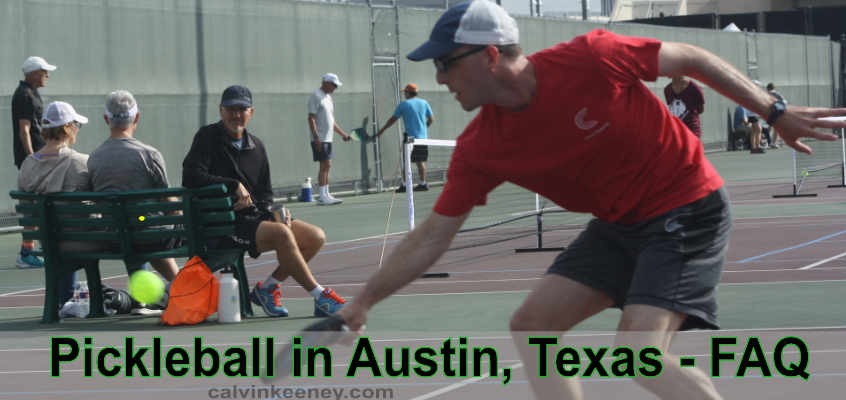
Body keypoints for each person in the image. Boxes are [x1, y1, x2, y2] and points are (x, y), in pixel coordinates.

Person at [336, 1, 846, 399]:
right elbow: (433, 234)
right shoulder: (481, 146)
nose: (441, 78)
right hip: (619, 224)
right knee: (532, 326)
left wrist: (773, 111)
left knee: (637, 353)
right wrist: (364, 301)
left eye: (447, 62)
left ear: (490, 56)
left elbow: (691, 58)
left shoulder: (592, 58)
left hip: (686, 204)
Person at [183, 85, 346, 318]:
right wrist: (232, 185)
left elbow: (265, 193)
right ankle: (320, 296)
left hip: (254, 220)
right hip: (222, 226)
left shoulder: (257, 145)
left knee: (314, 237)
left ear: (251, 112)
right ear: (221, 111)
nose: (236, 115)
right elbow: (191, 176)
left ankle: (267, 288)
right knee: (282, 234)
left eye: (241, 109)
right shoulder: (207, 137)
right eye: (230, 109)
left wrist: (276, 209)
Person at [87, 90, 180, 283]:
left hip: (113, 238)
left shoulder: (94, 158)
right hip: (149, 233)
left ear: (106, 119)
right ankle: (184, 288)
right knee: (149, 223)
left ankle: (155, 294)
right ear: (136, 117)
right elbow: (170, 206)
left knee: (139, 223)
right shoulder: (149, 155)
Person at [17, 101, 89, 305]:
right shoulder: (80, 162)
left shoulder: (27, 165)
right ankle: (140, 302)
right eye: (77, 125)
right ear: (68, 128)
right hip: (83, 242)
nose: (77, 129)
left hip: (48, 242)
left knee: (63, 236)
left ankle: (63, 300)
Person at [11, 56, 56, 268]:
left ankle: (31, 250)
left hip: (39, 157)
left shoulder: (32, 93)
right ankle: (26, 253)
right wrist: (32, 159)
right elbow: (25, 130)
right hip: (34, 160)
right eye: (43, 71)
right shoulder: (25, 95)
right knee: (32, 206)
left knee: (37, 205)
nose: (47, 75)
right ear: (33, 73)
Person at [375, 83, 435, 192]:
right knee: (420, 161)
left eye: (405, 92)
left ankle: (405, 185)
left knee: (406, 162)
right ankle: (423, 183)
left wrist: (382, 130)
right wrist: (423, 128)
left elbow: (393, 119)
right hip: (423, 138)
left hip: (410, 139)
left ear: (408, 93)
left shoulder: (404, 104)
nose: (404, 94)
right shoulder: (424, 103)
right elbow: (431, 119)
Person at [307, 73, 351, 205]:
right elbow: (311, 118)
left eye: (336, 86)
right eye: (334, 85)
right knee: (324, 164)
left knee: (327, 165)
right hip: (320, 138)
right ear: (325, 82)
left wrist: (342, 134)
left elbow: (331, 121)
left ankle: (326, 194)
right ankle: (322, 196)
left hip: (328, 138)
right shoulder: (316, 96)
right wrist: (316, 138)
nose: (335, 88)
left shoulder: (328, 98)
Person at [766, 82, 787, 148]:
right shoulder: (776, 93)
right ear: (774, 88)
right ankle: (774, 142)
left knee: (768, 128)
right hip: (776, 112)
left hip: (767, 112)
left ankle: (767, 142)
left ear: (767, 88)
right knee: (776, 128)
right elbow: (784, 101)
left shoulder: (766, 94)